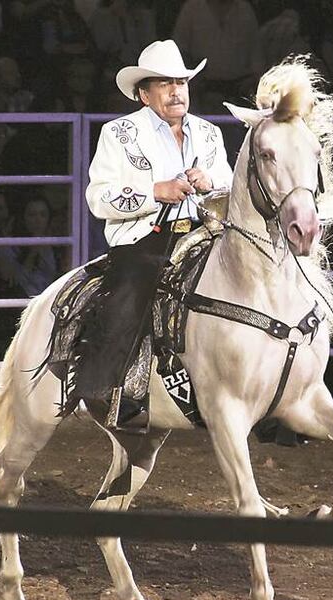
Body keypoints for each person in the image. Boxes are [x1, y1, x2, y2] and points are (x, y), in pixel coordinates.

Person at [70, 39, 233, 426]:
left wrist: (211, 183)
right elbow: (98, 197)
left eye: (181, 82)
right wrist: (154, 192)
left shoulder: (209, 134)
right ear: (144, 94)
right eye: (164, 83)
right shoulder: (119, 133)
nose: (176, 91)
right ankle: (117, 389)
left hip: (204, 233)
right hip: (144, 238)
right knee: (132, 289)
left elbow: (231, 189)